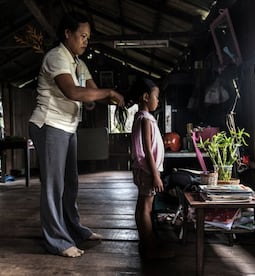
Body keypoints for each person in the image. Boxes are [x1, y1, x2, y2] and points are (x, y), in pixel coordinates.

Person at [28, 12, 124, 258]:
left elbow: (91, 91)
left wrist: (95, 100)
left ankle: (73, 228)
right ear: (67, 34)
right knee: (54, 186)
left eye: (88, 38)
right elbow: (72, 91)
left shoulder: (78, 63)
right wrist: (107, 92)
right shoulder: (56, 57)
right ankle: (57, 241)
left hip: (68, 127)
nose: (85, 41)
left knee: (71, 183)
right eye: (82, 36)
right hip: (49, 125)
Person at [128, 77, 174, 260]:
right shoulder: (146, 119)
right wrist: (156, 175)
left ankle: (145, 243)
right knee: (146, 209)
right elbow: (147, 149)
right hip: (148, 171)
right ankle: (151, 249)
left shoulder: (142, 117)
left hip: (143, 170)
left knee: (142, 208)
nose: (158, 100)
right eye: (156, 96)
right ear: (146, 97)